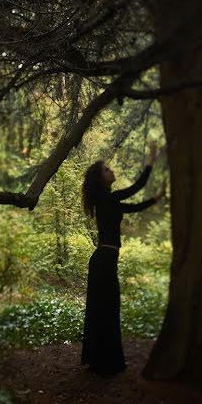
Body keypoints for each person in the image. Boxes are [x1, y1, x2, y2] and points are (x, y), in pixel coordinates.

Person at [80, 142, 165, 375]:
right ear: (100, 179)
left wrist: (156, 199)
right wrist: (151, 159)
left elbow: (134, 207)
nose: (112, 171)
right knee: (107, 308)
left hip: (104, 260)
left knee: (104, 309)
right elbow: (137, 187)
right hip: (103, 260)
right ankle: (105, 363)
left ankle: (99, 360)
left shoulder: (109, 201)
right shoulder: (108, 198)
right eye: (107, 170)